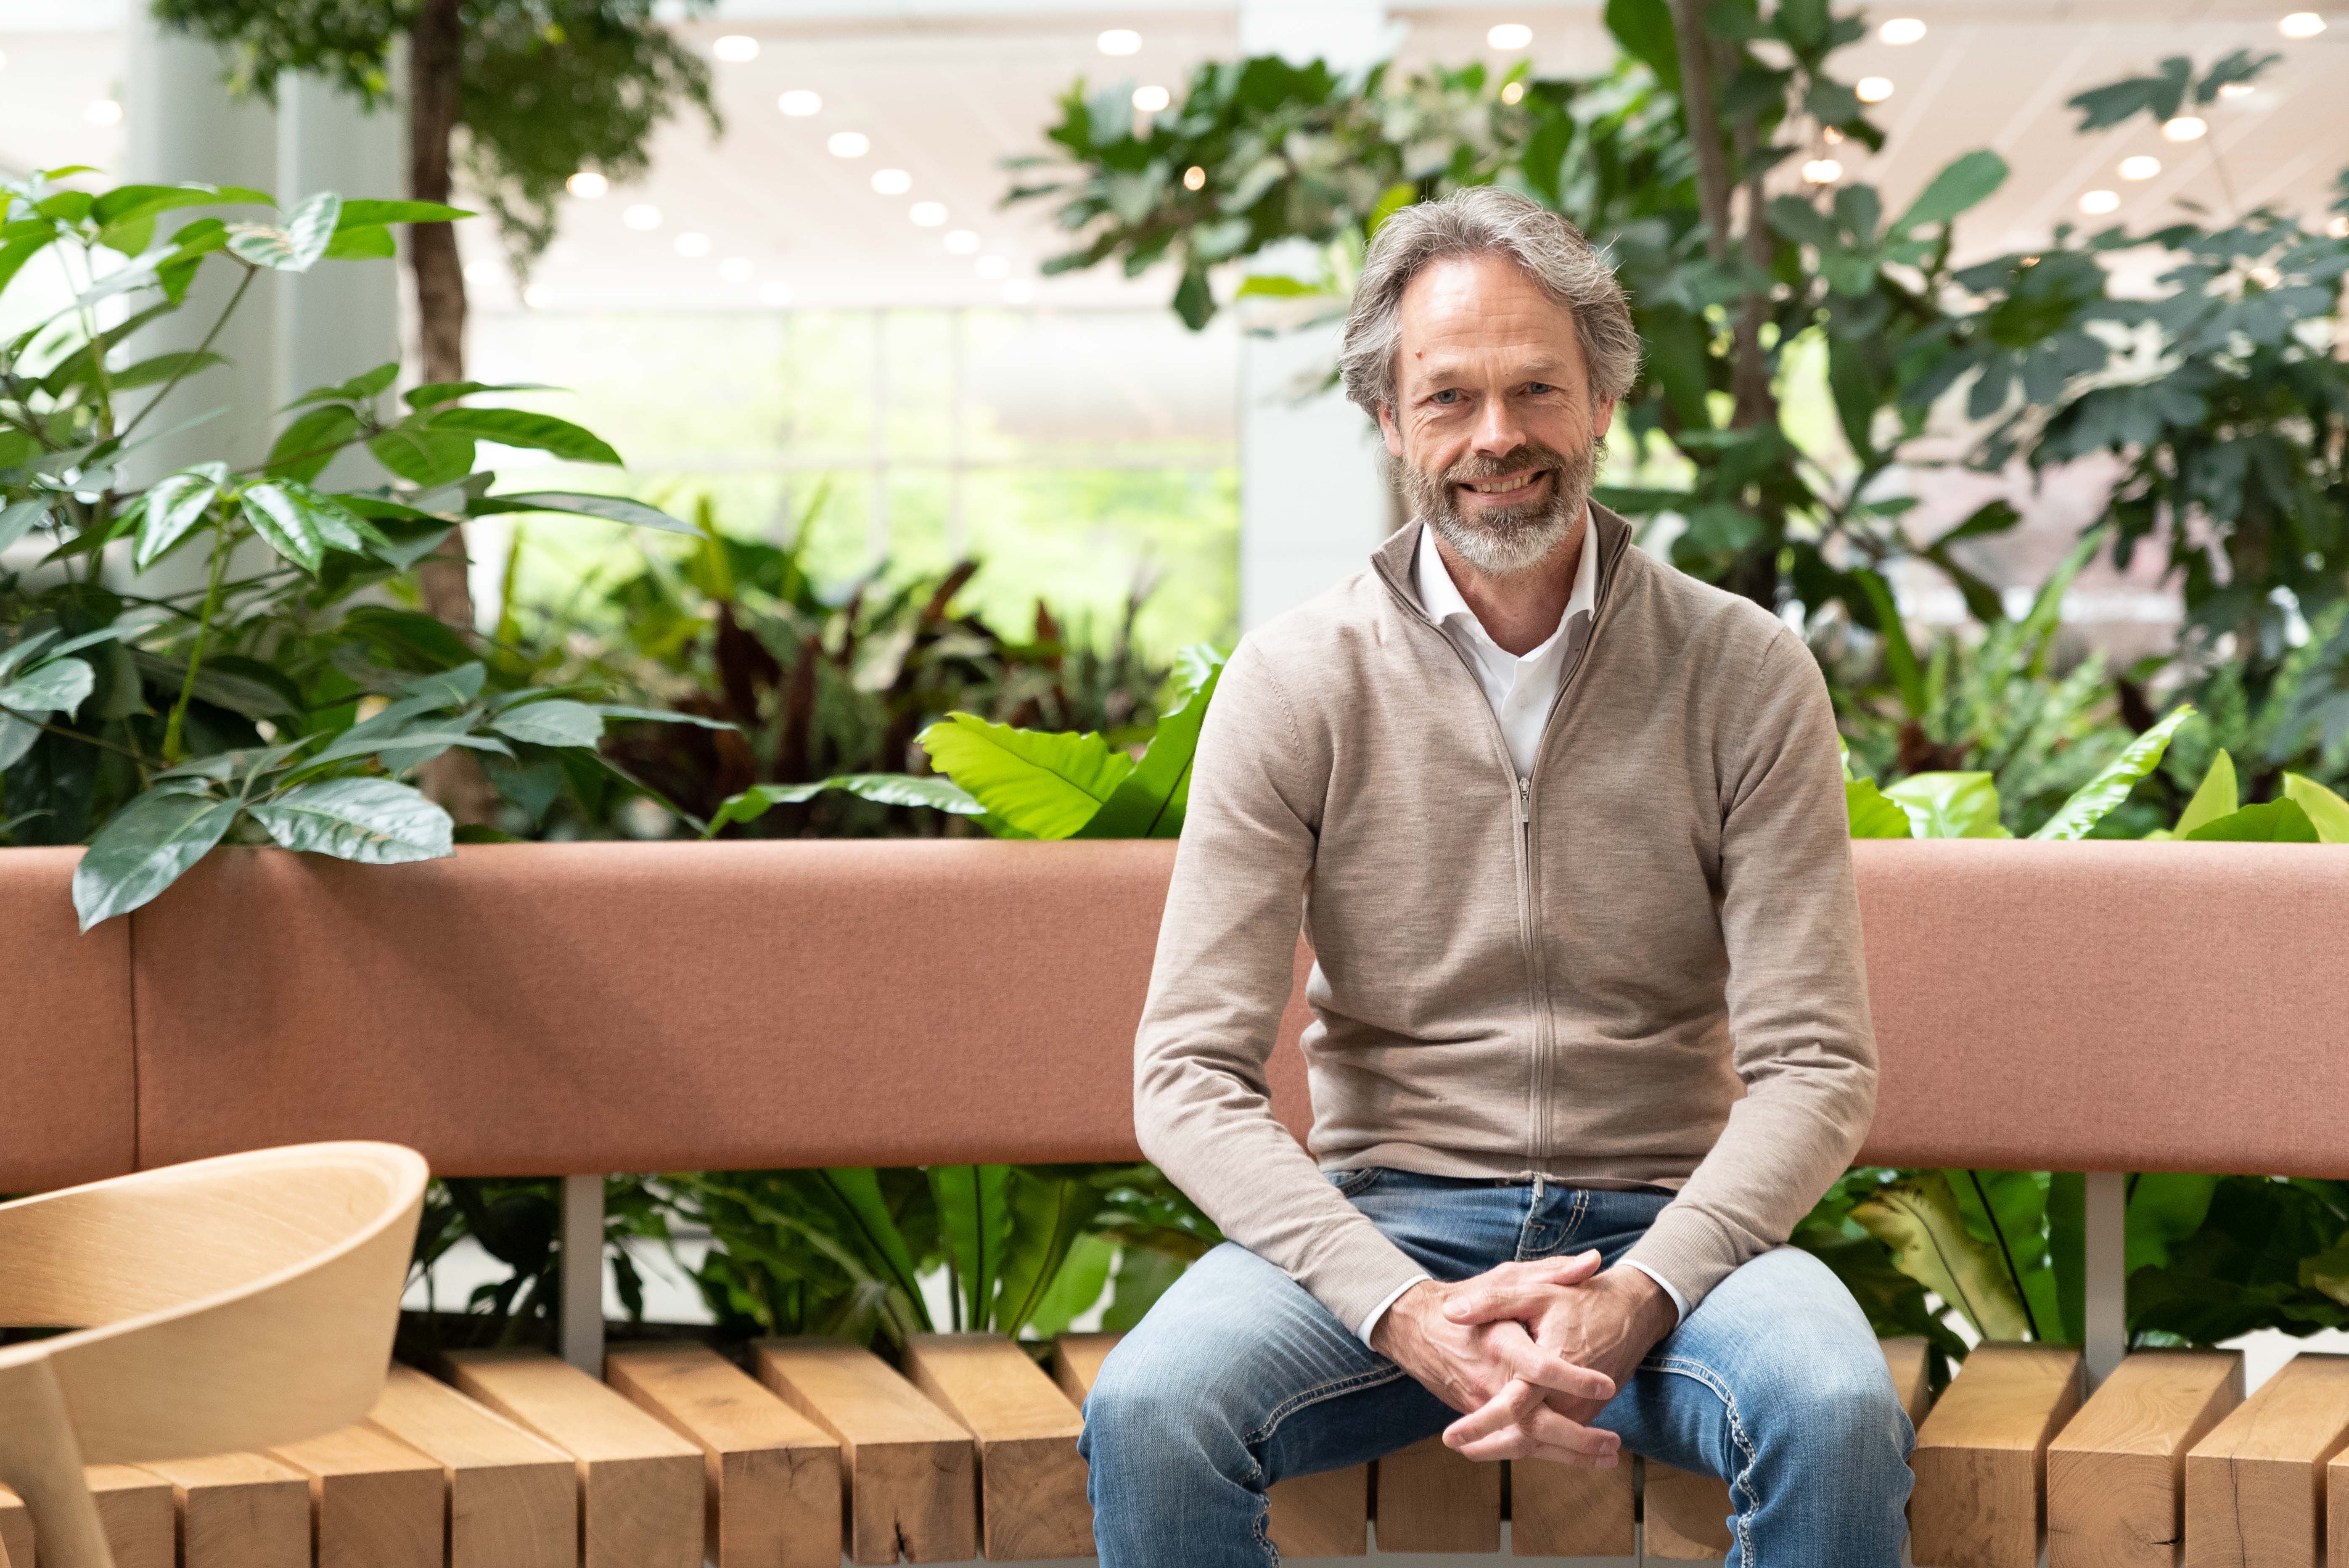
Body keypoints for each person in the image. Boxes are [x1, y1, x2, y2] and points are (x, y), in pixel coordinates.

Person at [1080, 186, 1913, 1566]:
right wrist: (1400, 1307)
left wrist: (1640, 1294)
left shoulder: (1742, 670)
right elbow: (1185, 1074)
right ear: (1388, 418)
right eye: (1448, 396)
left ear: (1601, 403)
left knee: (1831, 1409)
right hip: (1383, 1219)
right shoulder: (1293, 679)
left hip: (1673, 1228)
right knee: (1155, 1409)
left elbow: (1816, 1063)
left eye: (1536, 389)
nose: (1496, 436)